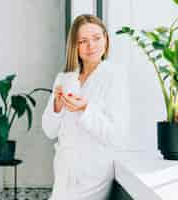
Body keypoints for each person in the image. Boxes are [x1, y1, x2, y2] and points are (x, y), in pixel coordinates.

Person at [42, 14, 130, 200]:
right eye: (83, 41)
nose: (91, 46)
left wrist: (85, 109)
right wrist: (57, 108)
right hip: (64, 171)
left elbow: (117, 135)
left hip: (93, 173)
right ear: (75, 45)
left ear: (106, 39)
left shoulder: (114, 76)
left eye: (97, 38)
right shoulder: (64, 78)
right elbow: (49, 131)